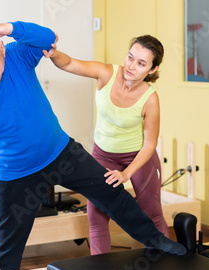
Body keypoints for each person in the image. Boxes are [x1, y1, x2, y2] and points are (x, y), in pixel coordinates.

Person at [0, 21, 186, 270]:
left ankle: (155, 240)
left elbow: (48, 38)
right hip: (15, 175)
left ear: (2, 47)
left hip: (61, 153)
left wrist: (9, 28)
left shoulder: (17, 55)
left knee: (112, 192)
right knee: (6, 247)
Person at [43, 34, 169, 255]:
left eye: (141, 64)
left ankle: (167, 266)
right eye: (130, 58)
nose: (131, 66)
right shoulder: (107, 74)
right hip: (103, 155)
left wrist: (126, 174)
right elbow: (71, 63)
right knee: (97, 216)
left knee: (151, 213)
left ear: (152, 69)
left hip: (138, 157)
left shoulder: (150, 99)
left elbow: (150, 145)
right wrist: (53, 54)